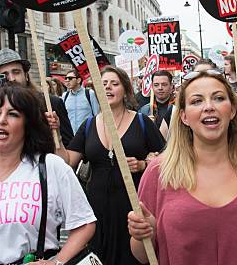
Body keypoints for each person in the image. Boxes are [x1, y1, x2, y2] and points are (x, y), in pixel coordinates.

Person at [127, 70, 237, 264]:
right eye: (197, 101)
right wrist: (144, 234)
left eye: (219, 98)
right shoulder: (158, 173)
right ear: (184, 117)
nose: (209, 107)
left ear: (233, 110)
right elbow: (143, 256)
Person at [0, 84, 97, 265]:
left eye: (13, 114)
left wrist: (57, 262)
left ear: (28, 124)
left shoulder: (51, 167)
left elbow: (85, 223)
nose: (1, 120)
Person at [65, 66, 165, 265]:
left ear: (125, 89)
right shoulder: (88, 124)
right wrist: (54, 133)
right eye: (103, 84)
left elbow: (166, 158)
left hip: (132, 209)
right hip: (96, 211)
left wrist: (143, 164)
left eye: (114, 83)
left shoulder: (142, 121)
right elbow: (67, 161)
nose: (108, 87)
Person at [0, 49, 74, 147]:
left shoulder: (50, 103)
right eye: (5, 75)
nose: (12, 78)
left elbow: (69, 146)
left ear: (26, 76)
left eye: (16, 72)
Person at [139, 70, 174, 139]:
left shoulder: (179, 108)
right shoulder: (144, 111)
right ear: (152, 87)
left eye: (164, 84)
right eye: (156, 85)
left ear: (171, 86)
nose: (160, 88)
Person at [62, 69, 99, 135]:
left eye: (70, 78)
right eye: (66, 78)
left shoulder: (89, 93)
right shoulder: (64, 96)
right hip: (70, 135)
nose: (67, 80)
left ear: (78, 80)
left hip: (87, 134)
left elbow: (96, 114)